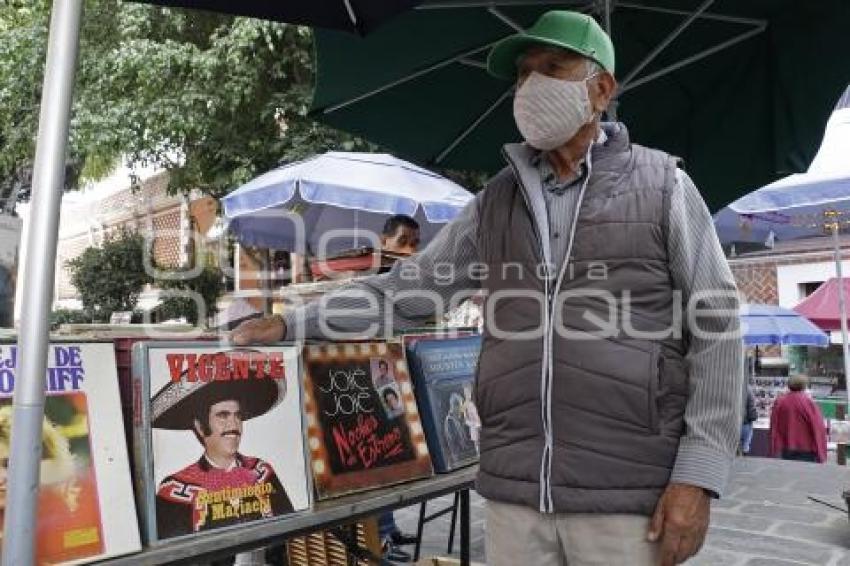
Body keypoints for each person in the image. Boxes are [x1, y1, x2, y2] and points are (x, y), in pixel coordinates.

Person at [233, 12, 741, 564]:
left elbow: (716, 324)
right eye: (523, 74)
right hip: (514, 491)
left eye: (552, 67)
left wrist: (698, 476)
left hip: (626, 493)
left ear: (601, 90)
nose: (531, 86)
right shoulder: (497, 201)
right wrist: (290, 323)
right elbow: (408, 293)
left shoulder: (664, 185)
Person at [153, 373, 294, 539]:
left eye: (238, 416)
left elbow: (290, 535)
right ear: (199, 426)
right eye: (223, 416)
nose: (234, 425)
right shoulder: (174, 488)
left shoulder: (262, 472)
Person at [770, 375, 827, 463]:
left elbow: (774, 424)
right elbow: (818, 426)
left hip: (785, 445)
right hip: (806, 447)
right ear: (804, 386)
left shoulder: (780, 401)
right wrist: (820, 451)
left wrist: (774, 445)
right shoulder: (808, 402)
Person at [741, 386, 758, 454]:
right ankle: (745, 449)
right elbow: (752, 410)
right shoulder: (747, 389)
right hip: (744, 423)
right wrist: (754, 416)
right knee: (745, 445)